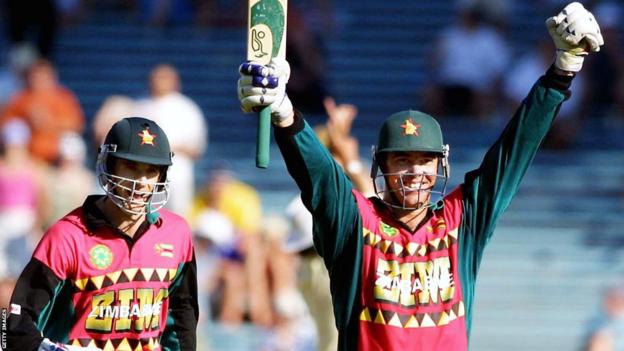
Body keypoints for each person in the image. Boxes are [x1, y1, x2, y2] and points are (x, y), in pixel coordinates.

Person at [237, 2, 603, 350]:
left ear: (440, 164)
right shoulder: (356, 225)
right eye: (402, 160)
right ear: (381, 167)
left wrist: (562, 70)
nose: (414, 172)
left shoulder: (462, 221)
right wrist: (284, 112)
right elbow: (319, 176)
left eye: (424, 161)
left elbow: (513, 153)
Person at [6, 117, 198, 351]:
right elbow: (13, 324)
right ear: (109, 166)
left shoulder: (176, 233)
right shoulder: (67, 236)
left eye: (151, 171)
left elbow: (182, 318)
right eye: (131, 167)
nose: (141, 182)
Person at [134, 63, 207, 218]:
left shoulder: (186, 108)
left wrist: (167, 148)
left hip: (177, 172)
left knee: (176, 217)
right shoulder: (140, 106)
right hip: (145, 171)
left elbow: (196, 148)